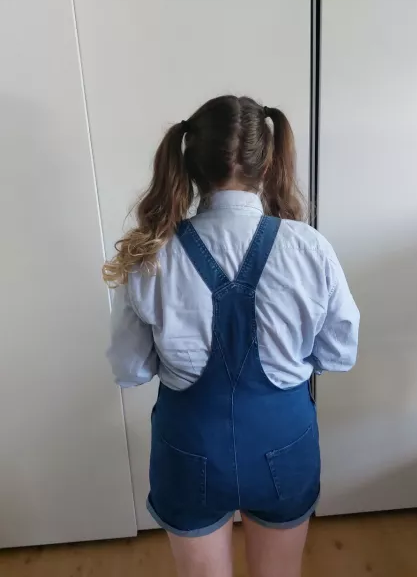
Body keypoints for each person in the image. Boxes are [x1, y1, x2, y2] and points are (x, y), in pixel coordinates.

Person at [104, 95, 360, 577]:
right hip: (284, 443)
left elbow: (130, 369)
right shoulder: (309, 248)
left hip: (188, 448)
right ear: (268, 163)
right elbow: (339, 353)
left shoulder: (152, 255)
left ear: (190, 163)